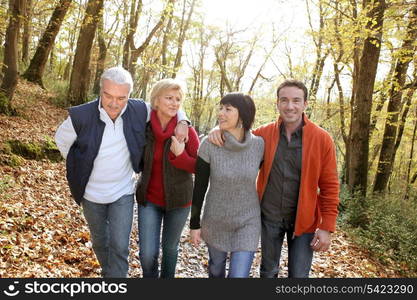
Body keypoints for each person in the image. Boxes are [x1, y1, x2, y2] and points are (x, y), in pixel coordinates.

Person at [55, 66, 189, 278]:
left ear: (129, 95)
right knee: (100, 242)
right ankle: (112, 277)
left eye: (121, 97)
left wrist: (183, 121)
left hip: (122, 192)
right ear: (100, 90)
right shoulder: (80, 116)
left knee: (119, 245)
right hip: (91, 194)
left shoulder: (138, 110)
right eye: (108, 95)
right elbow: (61, 141)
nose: (114, 103)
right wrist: (78, 165)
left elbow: (167, 106)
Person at [208, 79, 339, 278]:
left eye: (296, 100)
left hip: (304, 220)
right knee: (268, 273)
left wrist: (326, 226)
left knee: (299, 275)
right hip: (269, 217)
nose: (290, 106)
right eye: (284, 100)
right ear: (277, 103)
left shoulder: (322, 139)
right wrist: (217, 130)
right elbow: (237, 137)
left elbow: (330, 186)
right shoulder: (262, 135)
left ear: (305, 104)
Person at [190, 93, 264, 278]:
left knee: (238, 276)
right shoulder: (209, 145)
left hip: (248, 221)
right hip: (216, 220)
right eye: (220, 108)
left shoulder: (259, 145)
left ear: (243, 115)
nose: (221, 113)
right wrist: (194, 223)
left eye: (228, 109)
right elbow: (199, 187)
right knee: (216, 270)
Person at [135, 78, 199, 278]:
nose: (174, 103)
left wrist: (180, 156)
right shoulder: (144, 128)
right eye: (169, 98)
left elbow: (199, 167)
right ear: (156, 100)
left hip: (180, 201)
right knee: (147, 254)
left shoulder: (187, 131)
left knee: (170, 250)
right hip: (149, 200)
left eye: (178, 99)